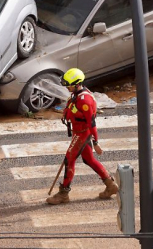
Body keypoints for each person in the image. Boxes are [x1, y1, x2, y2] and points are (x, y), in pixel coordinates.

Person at [46, 68, 119, 205]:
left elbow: (92, 123)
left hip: (82, 134)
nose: (67, 87)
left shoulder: (85, 101)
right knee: (89, 159)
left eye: (69, 85)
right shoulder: (77, 94)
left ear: (77, 83)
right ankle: (110, 185)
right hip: (77, 132)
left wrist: (96, 142)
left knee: (69, 160)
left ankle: (63, 193)